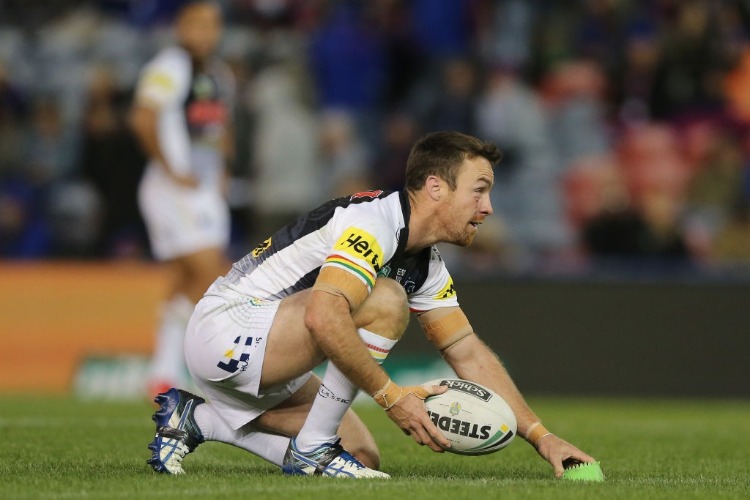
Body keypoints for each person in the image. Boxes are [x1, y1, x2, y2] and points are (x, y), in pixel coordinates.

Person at [147, 131, 595, 479]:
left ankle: (198, 420)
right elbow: (323, 316)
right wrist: (391, 396)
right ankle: (314, 449)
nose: (489, 207)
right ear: (436, 187)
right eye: (479, 191)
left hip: (267, 345)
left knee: (361, 455)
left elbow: (467, 352)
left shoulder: (426, 263)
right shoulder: (374, 222)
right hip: (227, 329)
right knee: (383, 298)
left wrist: (542, 438)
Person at [130, 0, 235, 395]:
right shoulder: (168, 68)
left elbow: (221, 126)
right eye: (197, 24)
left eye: (212, 25)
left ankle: (163, 375)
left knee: (183, 280)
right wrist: (170, 168)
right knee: (213, 273)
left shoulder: (220, 75)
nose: (205, 33)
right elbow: (142, 118)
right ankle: (213, 369)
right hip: (175, 191)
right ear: (181, 27)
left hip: (205, 192)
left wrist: (223, 171)